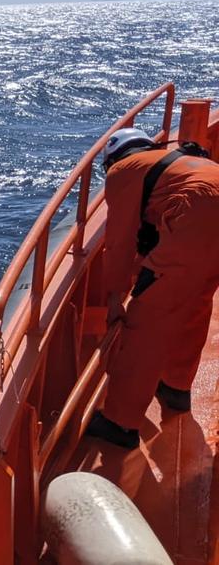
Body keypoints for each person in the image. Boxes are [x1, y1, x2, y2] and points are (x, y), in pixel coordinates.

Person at [86, 128, 219, 449]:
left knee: (146, 322)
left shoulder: (123, 171)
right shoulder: (177, 161)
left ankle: (120, 422)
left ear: (113, 160)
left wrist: (116, 297)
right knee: (196, 301)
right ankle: (175, 386)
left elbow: (119, 243)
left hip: (197, 215)